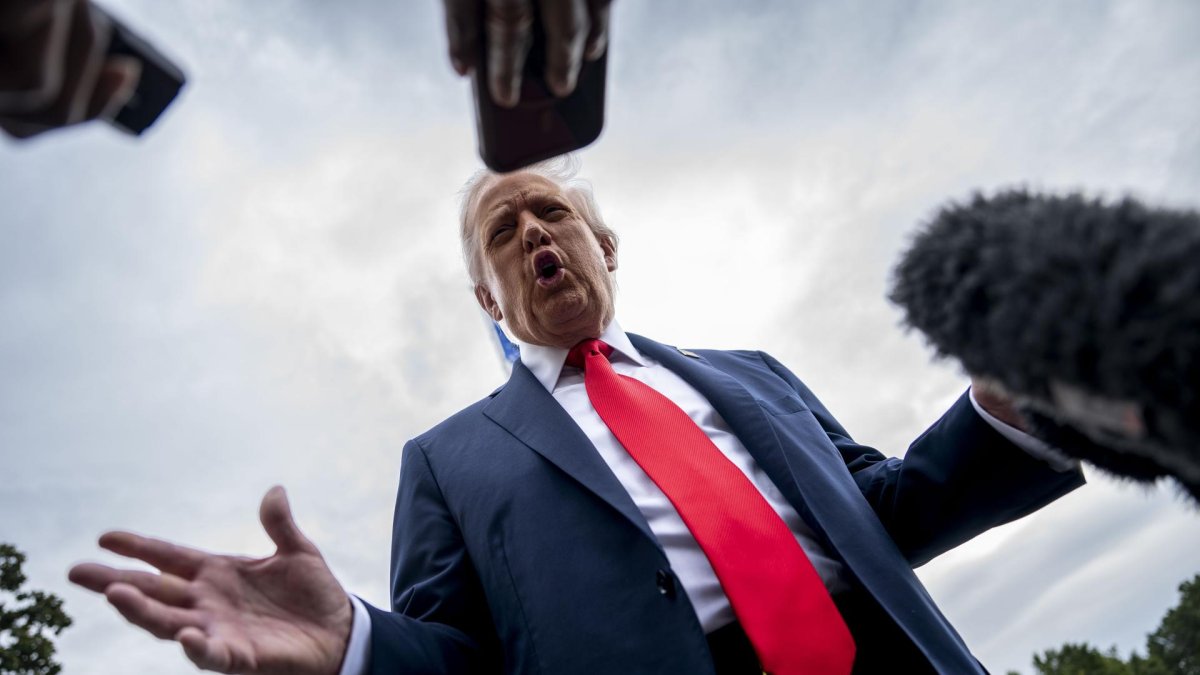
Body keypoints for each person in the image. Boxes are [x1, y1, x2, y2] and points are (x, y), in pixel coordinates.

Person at [70, 158, 1085, 674]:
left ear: (605, 242)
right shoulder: (446, 460)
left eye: (550, 214)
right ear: (488, 304)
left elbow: (887, 513)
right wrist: (351, 646)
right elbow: (458, 657)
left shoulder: (757, 375)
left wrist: (1007, 409)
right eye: (501, 236)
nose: (532, 235)